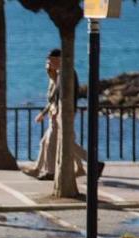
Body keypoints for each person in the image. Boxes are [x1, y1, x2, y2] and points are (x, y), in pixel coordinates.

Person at [23, 48, 95, 180]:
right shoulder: (58, 74)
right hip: (57, 113)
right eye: (49, 61)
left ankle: (50, 171)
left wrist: (60, 112)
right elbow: (54, 97)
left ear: (60, 59)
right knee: (51, 141)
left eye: (52, 61)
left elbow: (65, 96)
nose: (50, 63)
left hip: (62, 113)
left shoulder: (66, 73)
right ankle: (83, 166)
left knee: (56, 142)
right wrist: (45, 113)